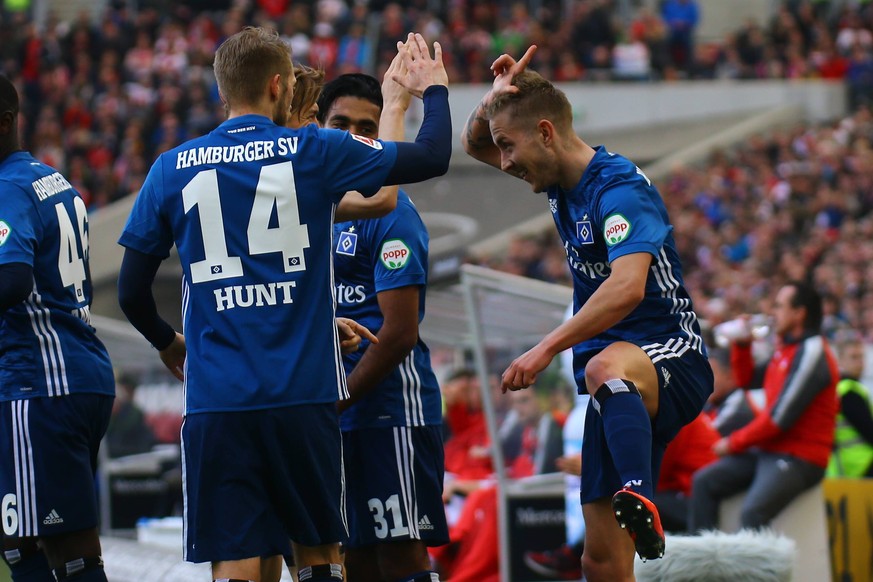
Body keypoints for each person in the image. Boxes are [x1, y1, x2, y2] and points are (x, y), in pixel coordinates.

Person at [116, 27, 451, 582]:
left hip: (217, 401)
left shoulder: (170, 168)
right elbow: (431, 156)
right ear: (278, 85)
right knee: (318, 557)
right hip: (303, 397)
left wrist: (168, 342)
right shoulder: (313, 151)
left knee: (240, 560)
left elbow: (130, 291)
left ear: (223, 92)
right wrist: (432, 90)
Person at [460, 46, 713, 581]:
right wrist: (493, 100)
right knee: (598, 559)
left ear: (546, 133)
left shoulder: (618, 190)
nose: (502, 161)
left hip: (671, 356)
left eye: (511, 146)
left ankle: (641, 495)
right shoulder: (554, 179)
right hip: (613, 386)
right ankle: (633, 503)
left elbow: (626, 289)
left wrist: (546, 346)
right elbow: (474, 142)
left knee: (602, 367)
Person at [323, 70, 449, 582]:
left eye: (367, 126)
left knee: (399, 555)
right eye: (341, 123)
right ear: (317, 125)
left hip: (389, 412)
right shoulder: (314, 208)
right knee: (351, 560)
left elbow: (398, 333)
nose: (353, 135)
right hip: (336, 412)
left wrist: (340, 398)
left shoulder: (394, 216)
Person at [0, 74, 115, 582]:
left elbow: (11, 279)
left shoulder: (6, 187)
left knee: (31, 541)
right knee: (57, 544)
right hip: (78, 376)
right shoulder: (49, 178)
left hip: (38, 383)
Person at [689, 282, 839, 532]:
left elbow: (780, 418)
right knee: (703, 482)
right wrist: (743, 344)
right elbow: (746, 380)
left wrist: (733, 442)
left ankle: (756, 572)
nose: (773, 312)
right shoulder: (787, 349)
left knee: (753, 513)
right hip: (771, 450)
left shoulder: (812, 351)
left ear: (799, 313)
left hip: (800, 457)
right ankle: (702, 566)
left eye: (779, 306)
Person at [827, 332, 873, 477]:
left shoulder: (844, 388)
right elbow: (869, 431)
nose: (860, 362)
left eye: (861, 357)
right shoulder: (847, 391)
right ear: (839, 360)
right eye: (854, 357)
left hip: (852, 466)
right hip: (862, 464)